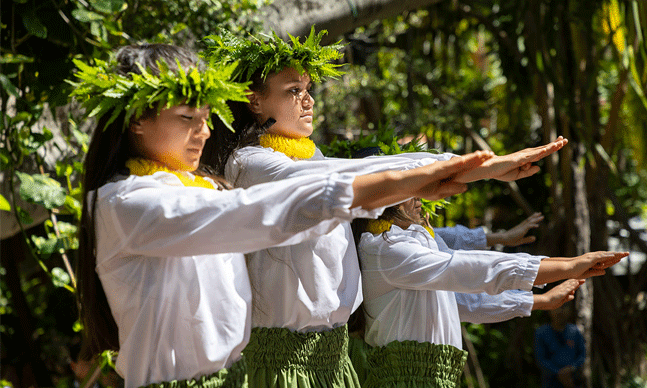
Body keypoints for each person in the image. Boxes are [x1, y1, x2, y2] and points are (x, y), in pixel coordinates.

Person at [73, 43, 495, 388]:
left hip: (284, 366)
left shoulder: (205, 187)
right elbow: (267, 207)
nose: (203, 132)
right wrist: (429, 170)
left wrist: (431, 171)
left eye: (205, 119)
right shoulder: (129, 203)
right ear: (136, 122)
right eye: (187, 118)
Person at [200, 28, 570, 388]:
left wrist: (453, 172)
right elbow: (341, 177)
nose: (308, 101)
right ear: (255, 100)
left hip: (332, 357)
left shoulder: (312, 156)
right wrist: (458, 167)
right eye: (293, 91)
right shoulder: (253, 165)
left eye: (308, 90)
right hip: (283, 365)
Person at [354, 198, 626, 388]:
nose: (420, 199)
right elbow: (469, 269)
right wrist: (567, 265)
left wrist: (537, 300)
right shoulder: (386, 248)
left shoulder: (414, 242)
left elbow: (463, 301)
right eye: (409, 189)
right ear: (385, 198)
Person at [534, 304, 586, 388]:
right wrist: (558, 372)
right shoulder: (541, 333)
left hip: (572, 380)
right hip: (551, 382)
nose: (559, 311)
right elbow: (540, 359)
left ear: (569, 310)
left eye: (564, 307)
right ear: (549, 310)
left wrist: (571, 369)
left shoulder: (574, 331)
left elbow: (582, 355)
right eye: (556, 307)